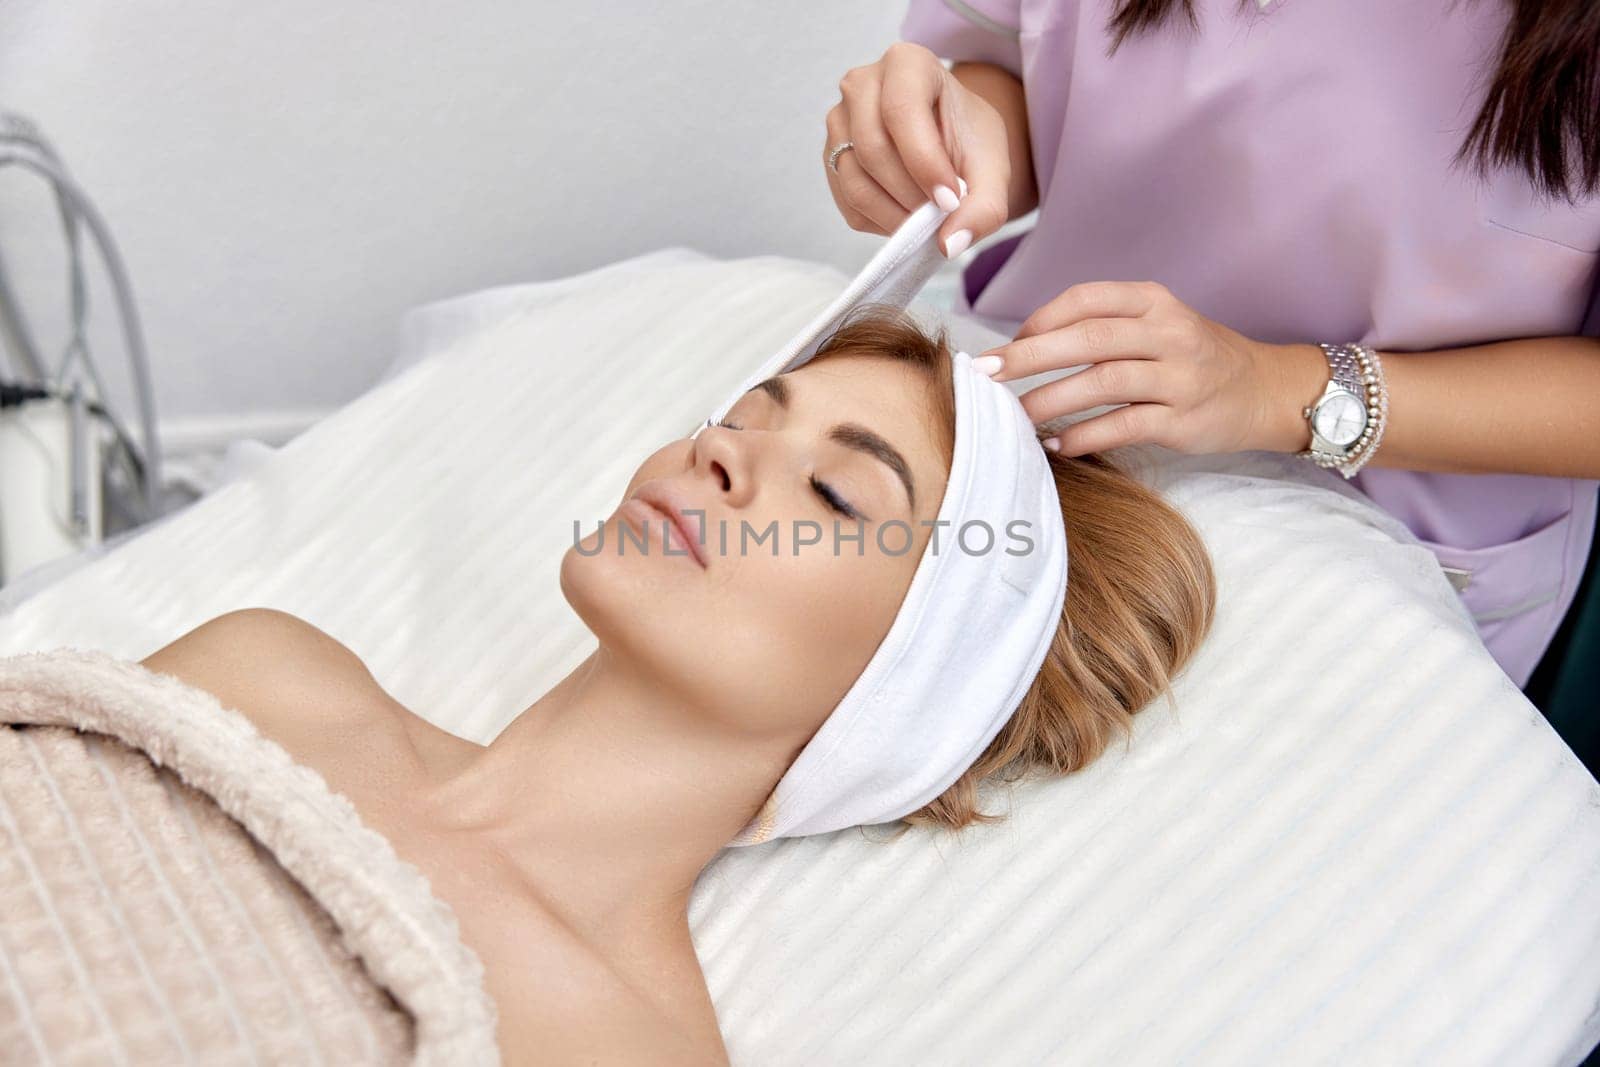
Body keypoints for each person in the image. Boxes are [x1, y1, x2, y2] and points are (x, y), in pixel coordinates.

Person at [136, 307, 1214, 1063]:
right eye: (739, 417)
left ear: (903, 692)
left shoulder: (616, 1046)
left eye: (836, 493)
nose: (720, 457)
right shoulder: (263, 677)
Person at [824, 0, 1600, 692]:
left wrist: (1277, 390)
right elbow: (1021, 64)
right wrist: (952, 141)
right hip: (1046, 432)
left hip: (1380, 535)